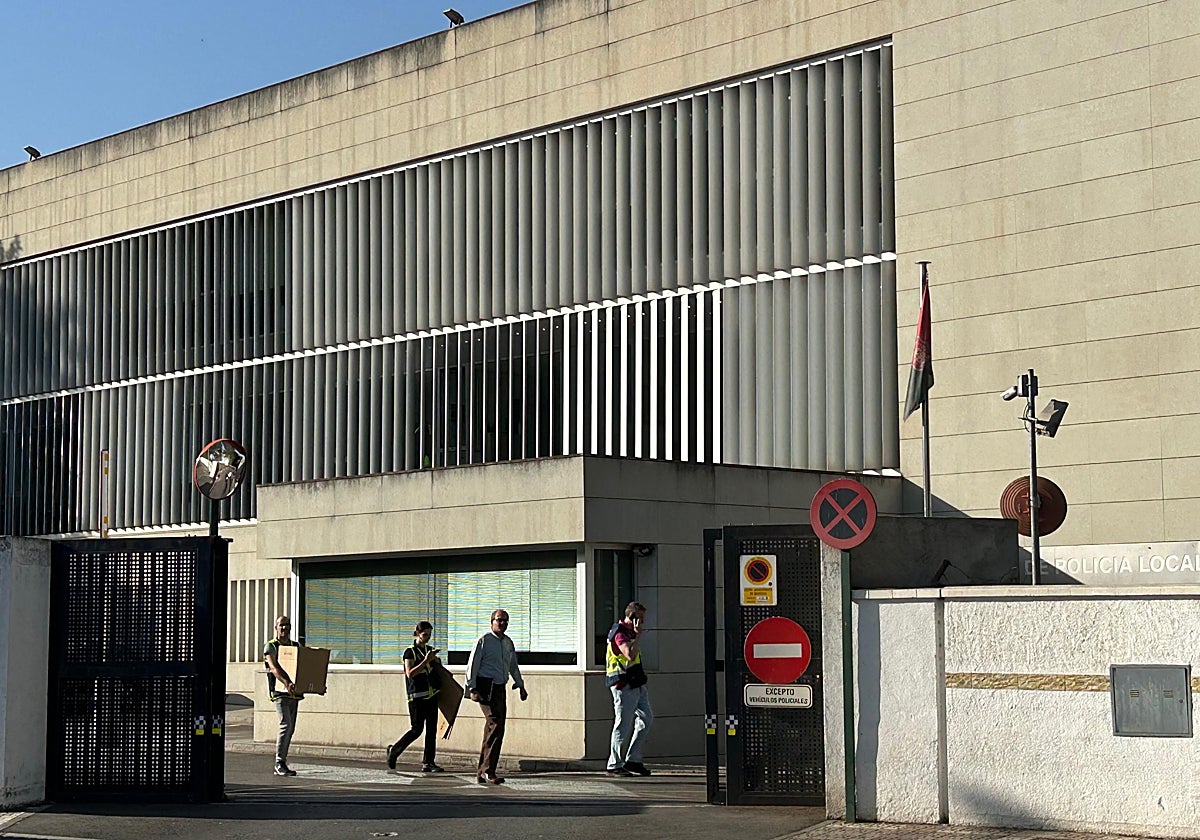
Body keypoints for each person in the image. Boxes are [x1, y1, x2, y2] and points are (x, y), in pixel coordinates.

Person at [465, 609, 528, 785]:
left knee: (497, 729)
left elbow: (513, 665)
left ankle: (484, 770)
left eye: (505, 621)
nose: (502, 624)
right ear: (492, 621)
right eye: (499, 620)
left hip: (501, 687)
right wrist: (472, 688)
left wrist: (520, 685)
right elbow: (472, 665)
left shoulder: (508, 643)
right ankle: (487, 771)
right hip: (486, 686)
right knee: (494, 723)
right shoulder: (484, 640)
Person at [386, 621, 445, 773]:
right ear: (418, 634)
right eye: (425, 634)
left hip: (431, 695)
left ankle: (429, 762)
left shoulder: (429, 650)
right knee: (416, 729)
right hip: (416, 697)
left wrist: (436, 662)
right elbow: (410, 673)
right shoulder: (410, 652)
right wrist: (426, 661)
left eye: (429, 635)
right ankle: (394, 751)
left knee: (432, 730)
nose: (427, 638)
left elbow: (435, 670)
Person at [606, 601, 653, 777]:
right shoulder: (619, 634)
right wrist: (639, 636)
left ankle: (633, 760)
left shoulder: (629, 633)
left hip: (636, 681)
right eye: (641, 619)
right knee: (623, 724)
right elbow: (630, 655)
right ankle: (614, 763)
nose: (643, 623)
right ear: (633, 618)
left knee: (646, 718)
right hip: (623, 683)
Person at [264, 615, 303, 776]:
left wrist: (315, 686)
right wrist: (286, 682)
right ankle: (279, 762)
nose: (284, 628)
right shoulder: (271, 646)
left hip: (294, 693)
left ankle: (283, 761)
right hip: (280, 692)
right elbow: (273, 667)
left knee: (290, 728)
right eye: (281, 625)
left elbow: (304, 667)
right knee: (285, 724)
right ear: (276, 628)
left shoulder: (295, 646)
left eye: (287, 625)